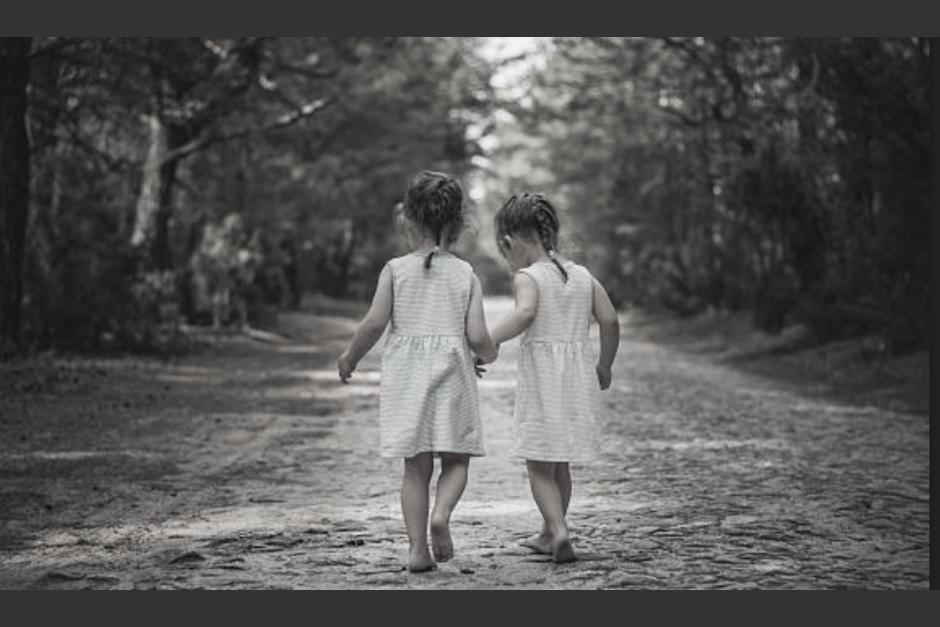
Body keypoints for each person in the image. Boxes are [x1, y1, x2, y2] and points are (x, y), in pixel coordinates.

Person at [336, 171, 498, 573]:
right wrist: (487, 355)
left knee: (415, 468)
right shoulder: (464, 274)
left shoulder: (394, 270)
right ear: (457, 223)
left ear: (408, 218)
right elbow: (477, 335)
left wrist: (351, 357)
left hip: (407, 380)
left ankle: (417, 550)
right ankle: (441, 514)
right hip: (453, 375)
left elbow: (374, 323)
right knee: (457, 461)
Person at [488, 192, 620, 563]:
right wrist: (605, 365)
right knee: (559, 460)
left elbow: (526, 314)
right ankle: (551, 531)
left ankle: (558, 529)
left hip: (544, 381)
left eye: (504, 250)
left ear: (511, 241)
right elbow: (609, 320)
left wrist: (489, 342)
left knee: (537, 461)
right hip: (578, 379)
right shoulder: (582, 275)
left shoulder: (528, 277)